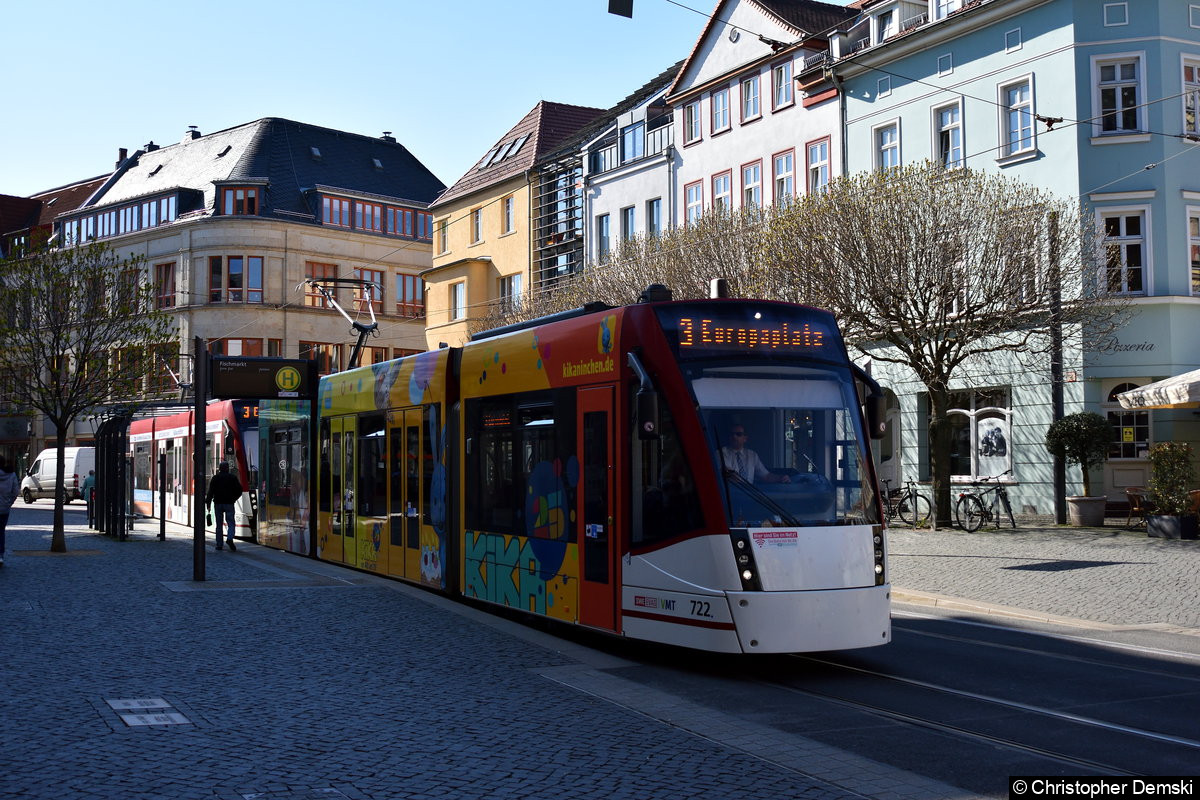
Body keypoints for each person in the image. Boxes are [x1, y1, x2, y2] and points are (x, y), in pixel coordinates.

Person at [720, 424, 790, 485]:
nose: (734, 436)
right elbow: (730, 475)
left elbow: (766, 476)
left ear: (745, 438)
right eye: (732, 434)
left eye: (738, 434)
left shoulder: (752, 455)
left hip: (751, 495)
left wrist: (781, 478)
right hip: (730, 496)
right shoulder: (721, 453)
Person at [204, 461, 242, 551]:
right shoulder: (232, 478)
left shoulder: (215, 478)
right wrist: (234, 499)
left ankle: (219, 545)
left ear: (219, 469)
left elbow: (210, 493)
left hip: (218, 504)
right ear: (228, 468)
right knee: (231, 523)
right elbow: (239, 490)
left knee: (219, 525)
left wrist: (208, 504)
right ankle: (229, 538)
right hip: (229, 503)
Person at [0, 456, 18, 566]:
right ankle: (0, 555)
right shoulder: (11, 475)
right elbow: (15, 492)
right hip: (4, 509)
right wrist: (9, 503)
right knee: (1, 531)